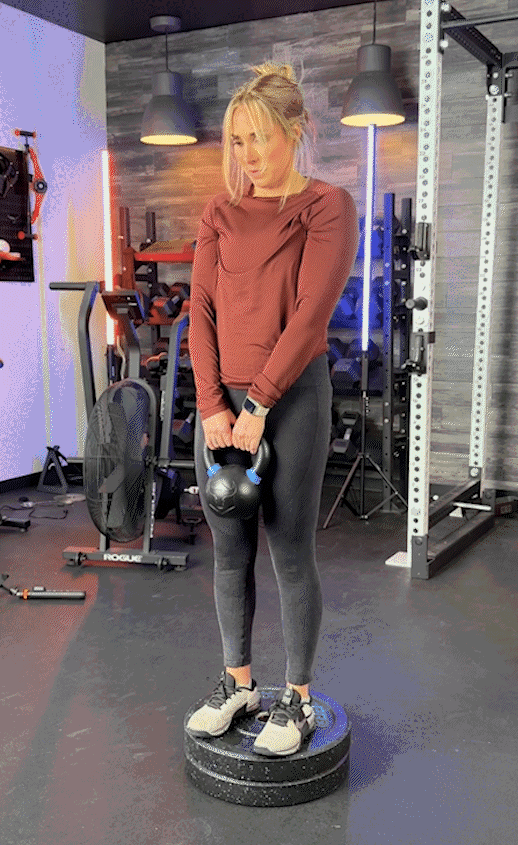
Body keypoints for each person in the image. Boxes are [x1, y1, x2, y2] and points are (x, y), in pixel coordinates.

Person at [186, 62, 359, 757]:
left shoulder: (327, 206)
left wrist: (258, 402)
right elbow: (200, 312)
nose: (248, 155)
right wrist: (211, 406)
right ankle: (238, 685)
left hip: (290, 402)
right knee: (229, 551)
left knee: (290, 551)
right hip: (223, 408)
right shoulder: (218, 213)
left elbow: (311, 315)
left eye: (259, 137)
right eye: (237, 140)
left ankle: (298, 698)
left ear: (296, 131)